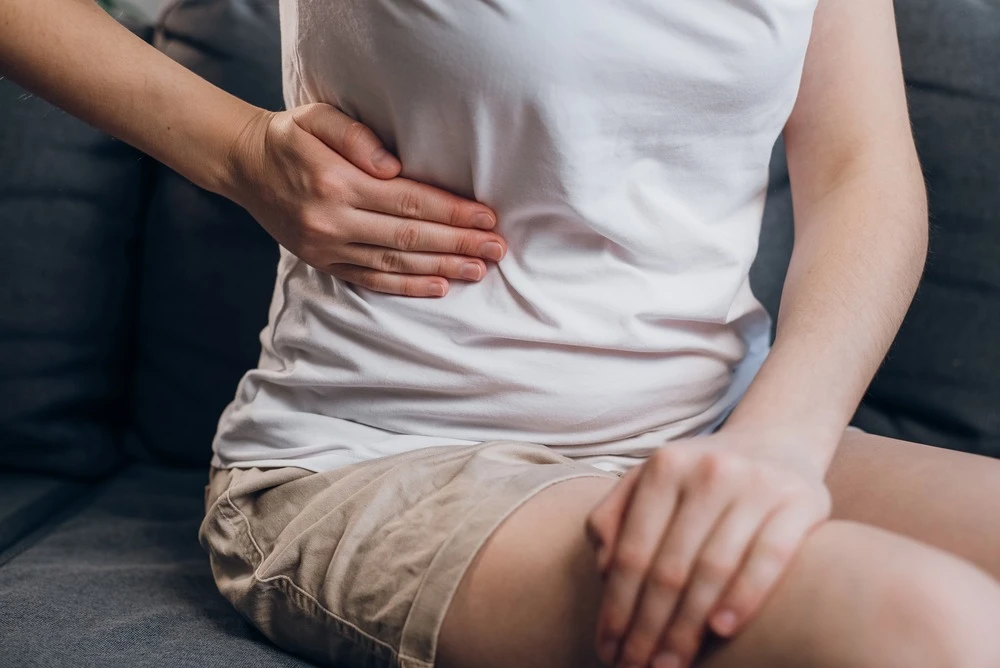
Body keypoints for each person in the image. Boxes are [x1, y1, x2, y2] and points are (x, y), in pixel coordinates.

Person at [4, 0, 1000, 666]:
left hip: (718, 426)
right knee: (932, 627)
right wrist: (238, 151)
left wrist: (777, 438)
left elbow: (861, 165)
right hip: (382, 454)